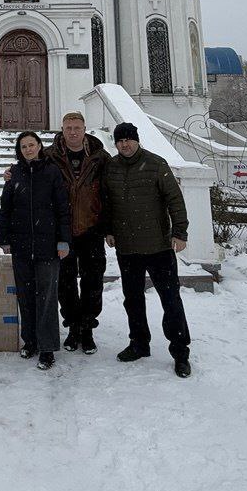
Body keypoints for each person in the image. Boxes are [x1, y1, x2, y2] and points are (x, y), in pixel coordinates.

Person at [100, 122, 193, 379]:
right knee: (132, 299)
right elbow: (107, 202)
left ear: (137, 140)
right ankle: (139, 343)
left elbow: (175, 199)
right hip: (127, 247)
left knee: (170, 300)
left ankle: (180, 352)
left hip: (158, 246)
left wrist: (180, 232)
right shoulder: (112, 167)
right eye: (120, 141)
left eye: (128, 140)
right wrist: (108, 229)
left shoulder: (156, 164)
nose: (125, 145)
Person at [0, 131, 71, 370]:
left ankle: (47, 347)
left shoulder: (51, 172)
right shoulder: (14, 173)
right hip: (21, 246)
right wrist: (4, 239)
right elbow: (5, 208)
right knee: (25, 296)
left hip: (47, 246)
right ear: (19, 150)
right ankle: (30, 341)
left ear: (40, 146)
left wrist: (63, 241)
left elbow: (62, 208)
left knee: (46, 298)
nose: (28, 149)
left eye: (32, 144)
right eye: (24, 146)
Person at [45, 112, 110, 355]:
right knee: (65, 282)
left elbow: (110, 191)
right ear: (62, 129)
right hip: (62, 231)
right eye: (68, 128)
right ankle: (73, 326)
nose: (73, 132)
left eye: (77, 128)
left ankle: (87, 327)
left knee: (93, 281)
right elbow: (31, 173)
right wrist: (11, 174)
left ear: (85, 129)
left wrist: (108, 227)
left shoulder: (100, 157)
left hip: (91, 228)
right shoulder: (49, 156)